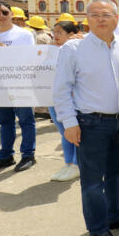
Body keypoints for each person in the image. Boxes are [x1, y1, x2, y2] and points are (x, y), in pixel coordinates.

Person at [53, 0, 119, 236]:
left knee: (117, 174)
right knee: (91, 180)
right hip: (90, 123)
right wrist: (69, 123)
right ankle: (98, 229)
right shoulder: (73, 49)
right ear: (87, 19)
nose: (101, 19)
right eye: (96, 14)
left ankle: (114, 215)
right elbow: (61, 90)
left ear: (116, 18)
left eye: (107, 14)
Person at [0, 0, 37, 173]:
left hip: (20, 85)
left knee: (26, 121)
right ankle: (6, 156)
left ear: (11, 14)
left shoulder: (24, 35)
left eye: (4, 12)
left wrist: (3, 49)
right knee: (5, 122)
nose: (1, 16)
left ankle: (28, 155)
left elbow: (29, 60)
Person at [49, 21, 81, 182]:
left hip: (72, 99)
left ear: (71, 35)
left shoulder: (78, 50)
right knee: (64, 133)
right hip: (53, 98)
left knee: (74, 131)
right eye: (54, 32)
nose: (55, 35)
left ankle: (76, 164)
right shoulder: (48, 51)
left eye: (60, 32)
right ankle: (68, 163)